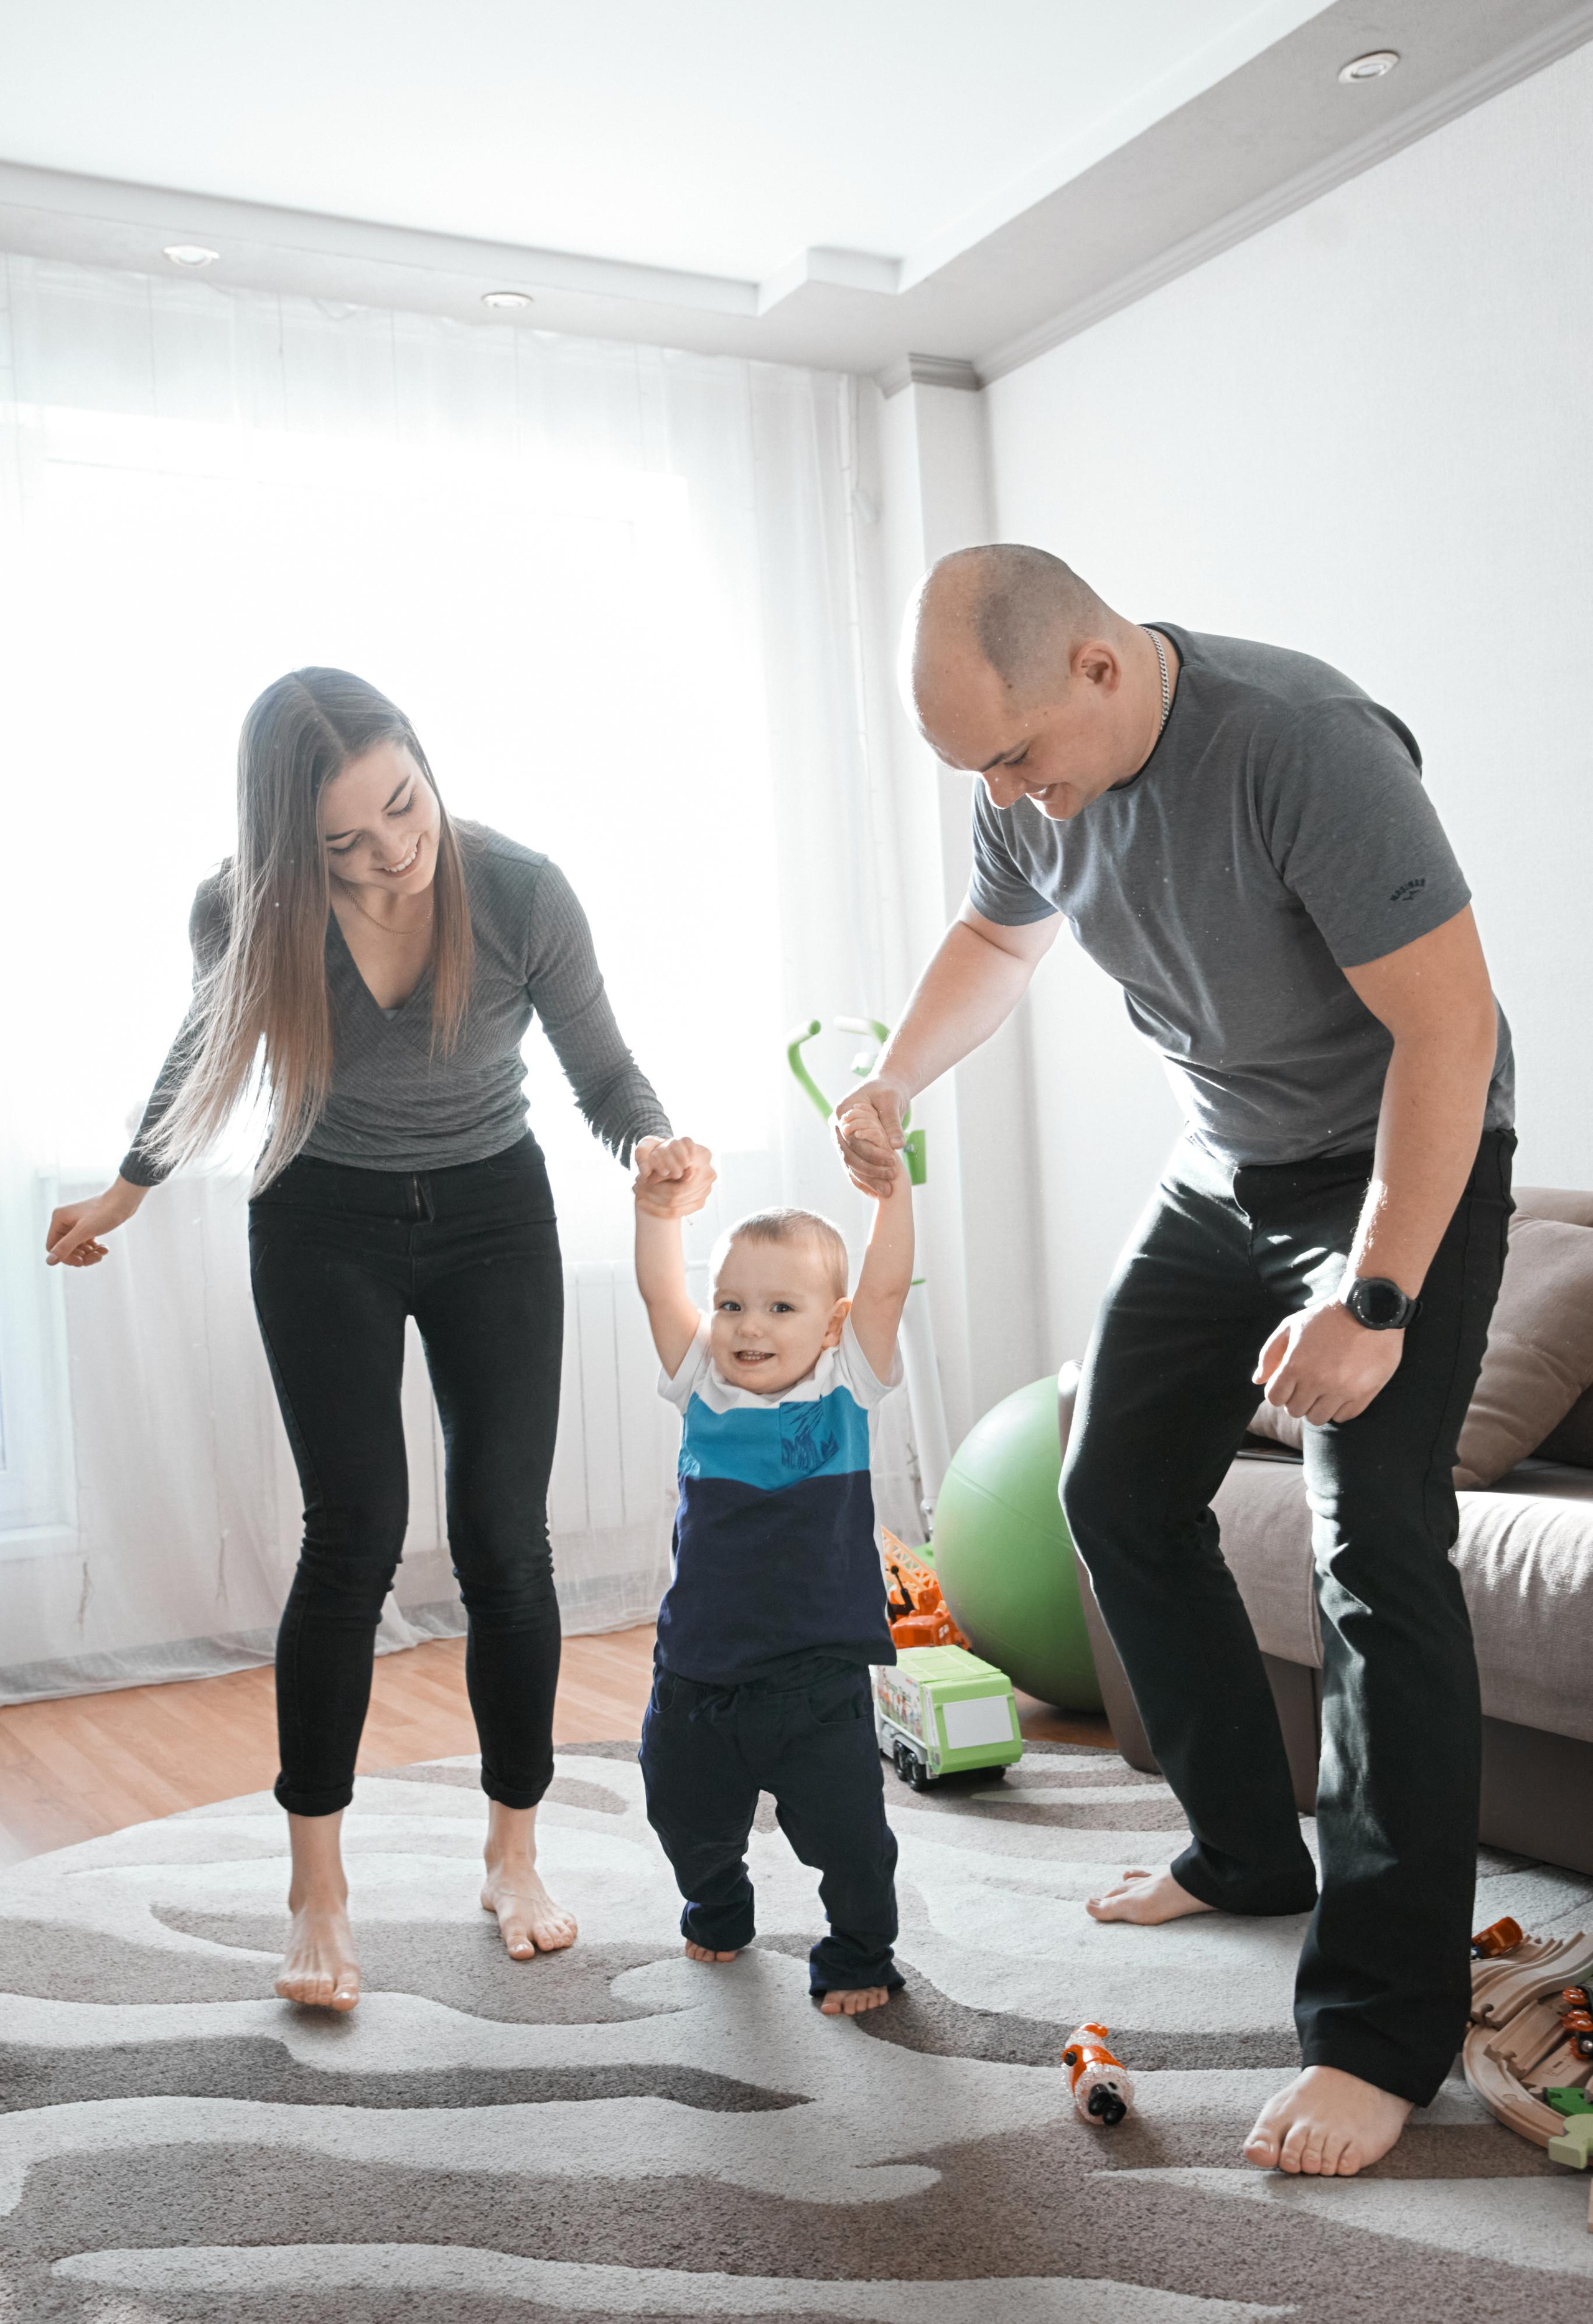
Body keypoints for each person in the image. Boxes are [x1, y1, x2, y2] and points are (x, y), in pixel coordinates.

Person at [834, 546, 1513, 2177]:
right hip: (1222, 1169)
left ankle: (1382, 2028)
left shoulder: (1304, 745)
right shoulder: (1028, 785)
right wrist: (894, 1072)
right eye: (980, 772)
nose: (1010, 797)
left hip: (1389, 1168)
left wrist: (1377, 1296)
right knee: (1115, 1483)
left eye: (1012, 756)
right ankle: (1242, 1847)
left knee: (1377, 1550)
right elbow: (1000, 944)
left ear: (1095, 664)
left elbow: (1451, 1028)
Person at [45, 667, 712, 2012]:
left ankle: (511, 1857)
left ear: (424, 761)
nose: (390, 852)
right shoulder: (243, 907)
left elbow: (603, 1070)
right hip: (319, 1218)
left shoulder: (519, 889)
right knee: (352, 1532)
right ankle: (318, 1887)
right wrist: (126, 1184)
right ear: (294, 847)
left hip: (491, 1216)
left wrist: (650, 1144)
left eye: (402, 808)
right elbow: (205, 1050)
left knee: (502, 1540)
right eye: (344, 843)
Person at [633, 1152, 915, 2015]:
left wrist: (892, 1195)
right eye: (731, 1304)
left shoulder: (846, 1388)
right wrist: (656, 1211)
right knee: (682, 1816)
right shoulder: (703, 1387)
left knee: (850, 1839)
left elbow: (887, 1289)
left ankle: (861, 1951)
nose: (748, 1327)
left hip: (815, 1680)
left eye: (779, 1307)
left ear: (831, 1324)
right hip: (697, 1675)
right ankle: (720, 1901)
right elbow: (658, 1292)